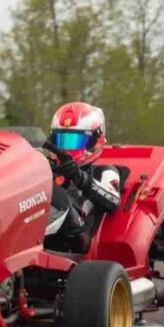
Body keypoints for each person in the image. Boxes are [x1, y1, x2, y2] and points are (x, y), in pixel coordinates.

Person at [44, 101, 122, 253]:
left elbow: (113, 201)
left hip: (77, 237)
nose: (66, 148)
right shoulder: (49, 168)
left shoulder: (105, 172)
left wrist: (81, 178)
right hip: (42, 228)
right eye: (61, 141)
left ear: (94, 140)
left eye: (74, 142)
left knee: (58, 196)